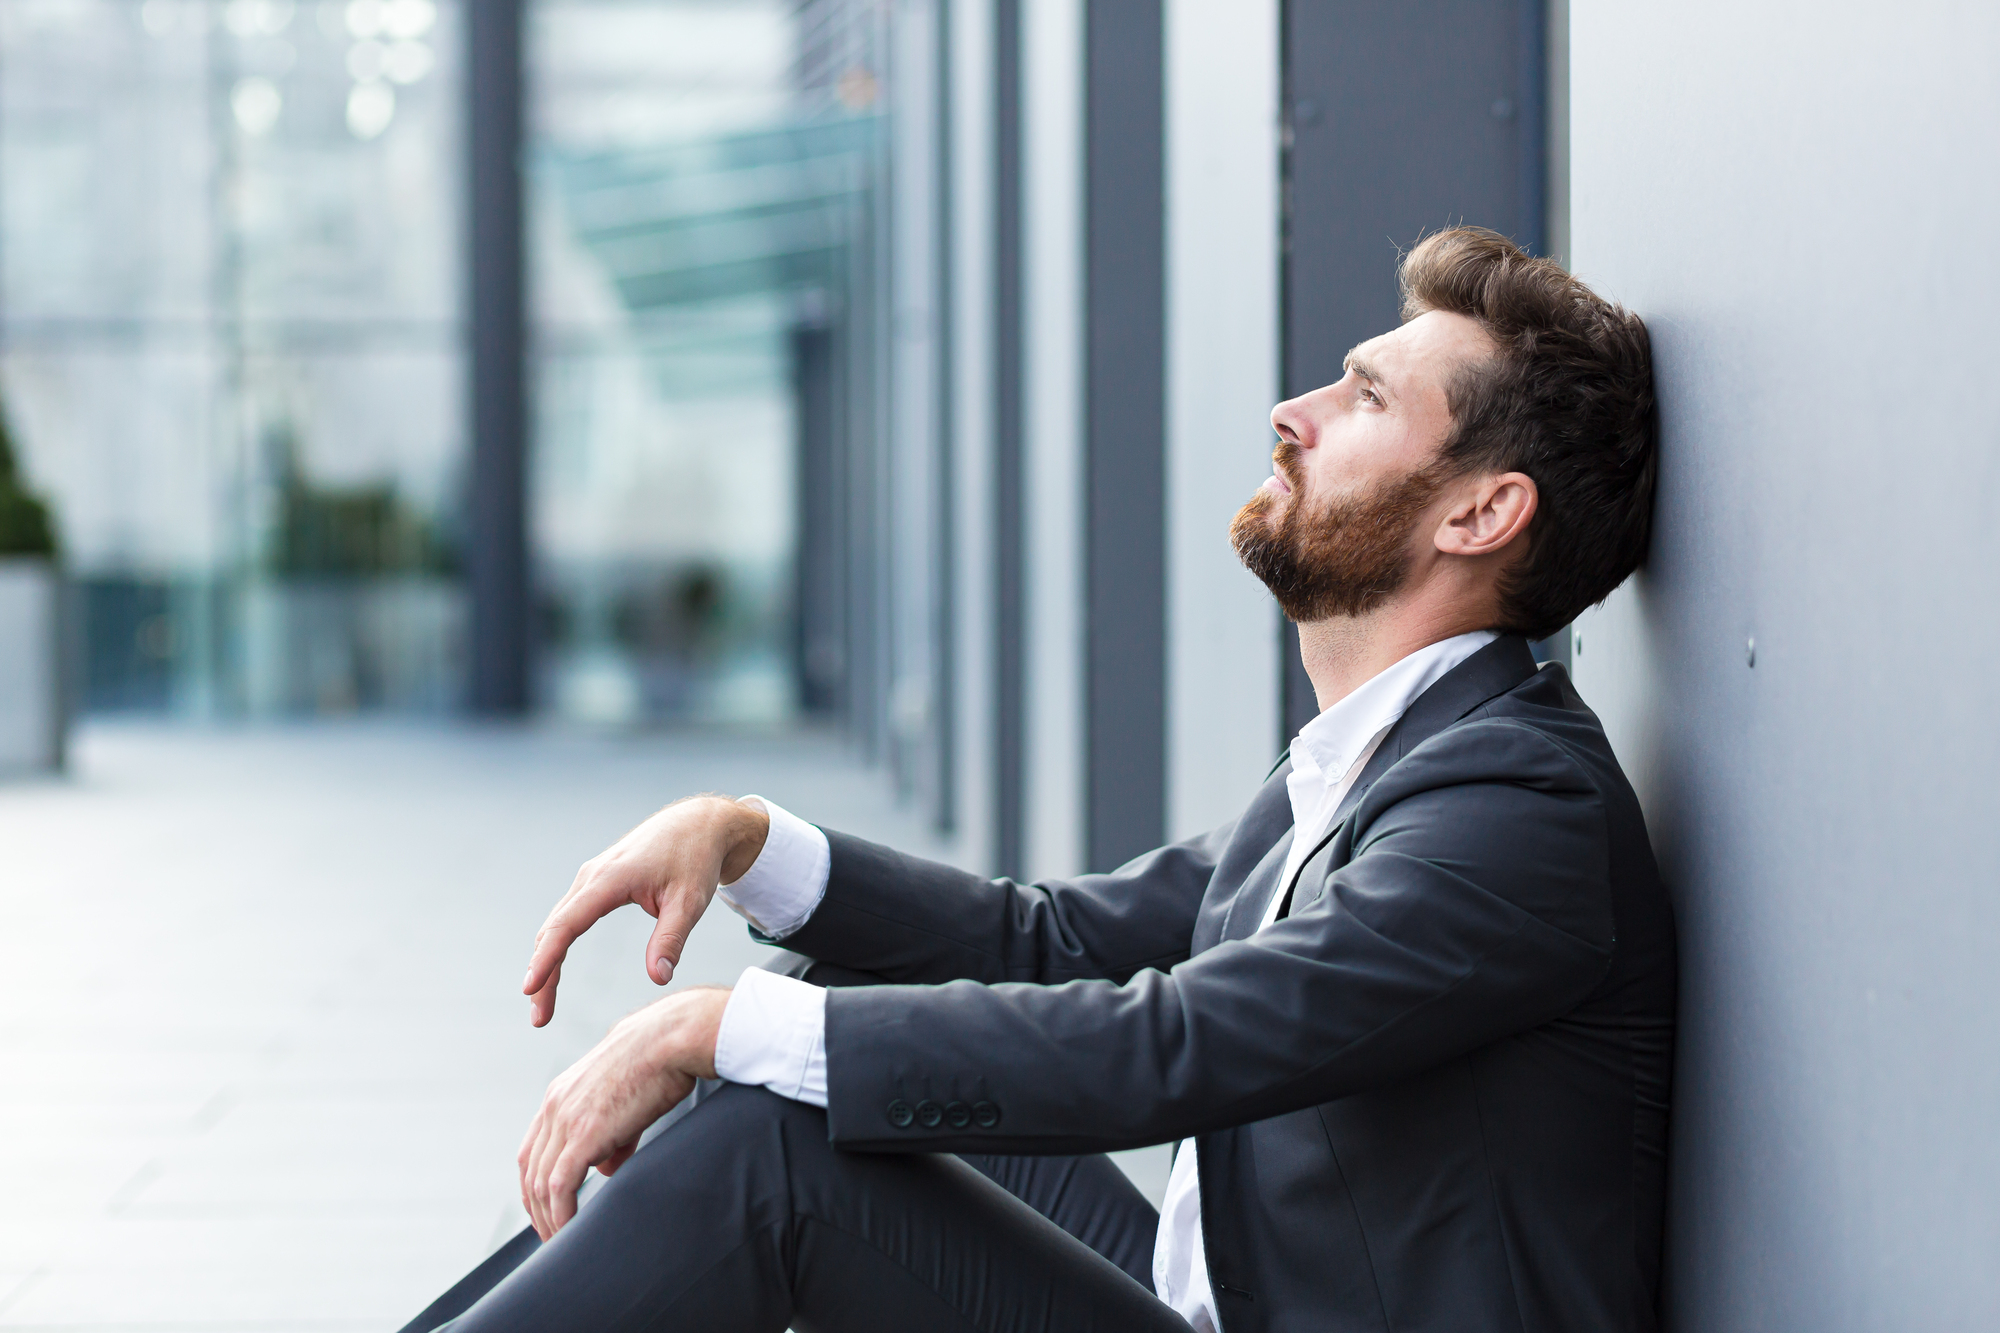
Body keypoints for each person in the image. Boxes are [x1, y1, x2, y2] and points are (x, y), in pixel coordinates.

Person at [401, 227, 1673, 1333]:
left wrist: (714, 1026)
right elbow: (1052, 937)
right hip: (1215, 1292)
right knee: (832, 1001)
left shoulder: (1515, 814)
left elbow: (1175, 1040)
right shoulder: (1382, 764)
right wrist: (742, 839)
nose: (1295, 411)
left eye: (1362, 398)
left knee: (773, 1139)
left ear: (1478, 515)